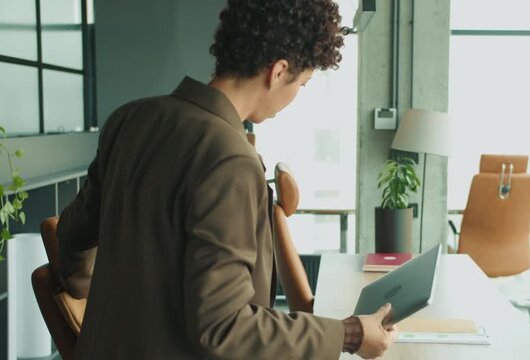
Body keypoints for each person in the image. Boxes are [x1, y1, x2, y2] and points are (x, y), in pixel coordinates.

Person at [56, 0, 397, 359]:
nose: (297, 96)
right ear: (279, 71)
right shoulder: (231, 157)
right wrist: (351, 334)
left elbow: (72, 239)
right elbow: (223, 326)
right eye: (304, 83)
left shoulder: (129, 120)